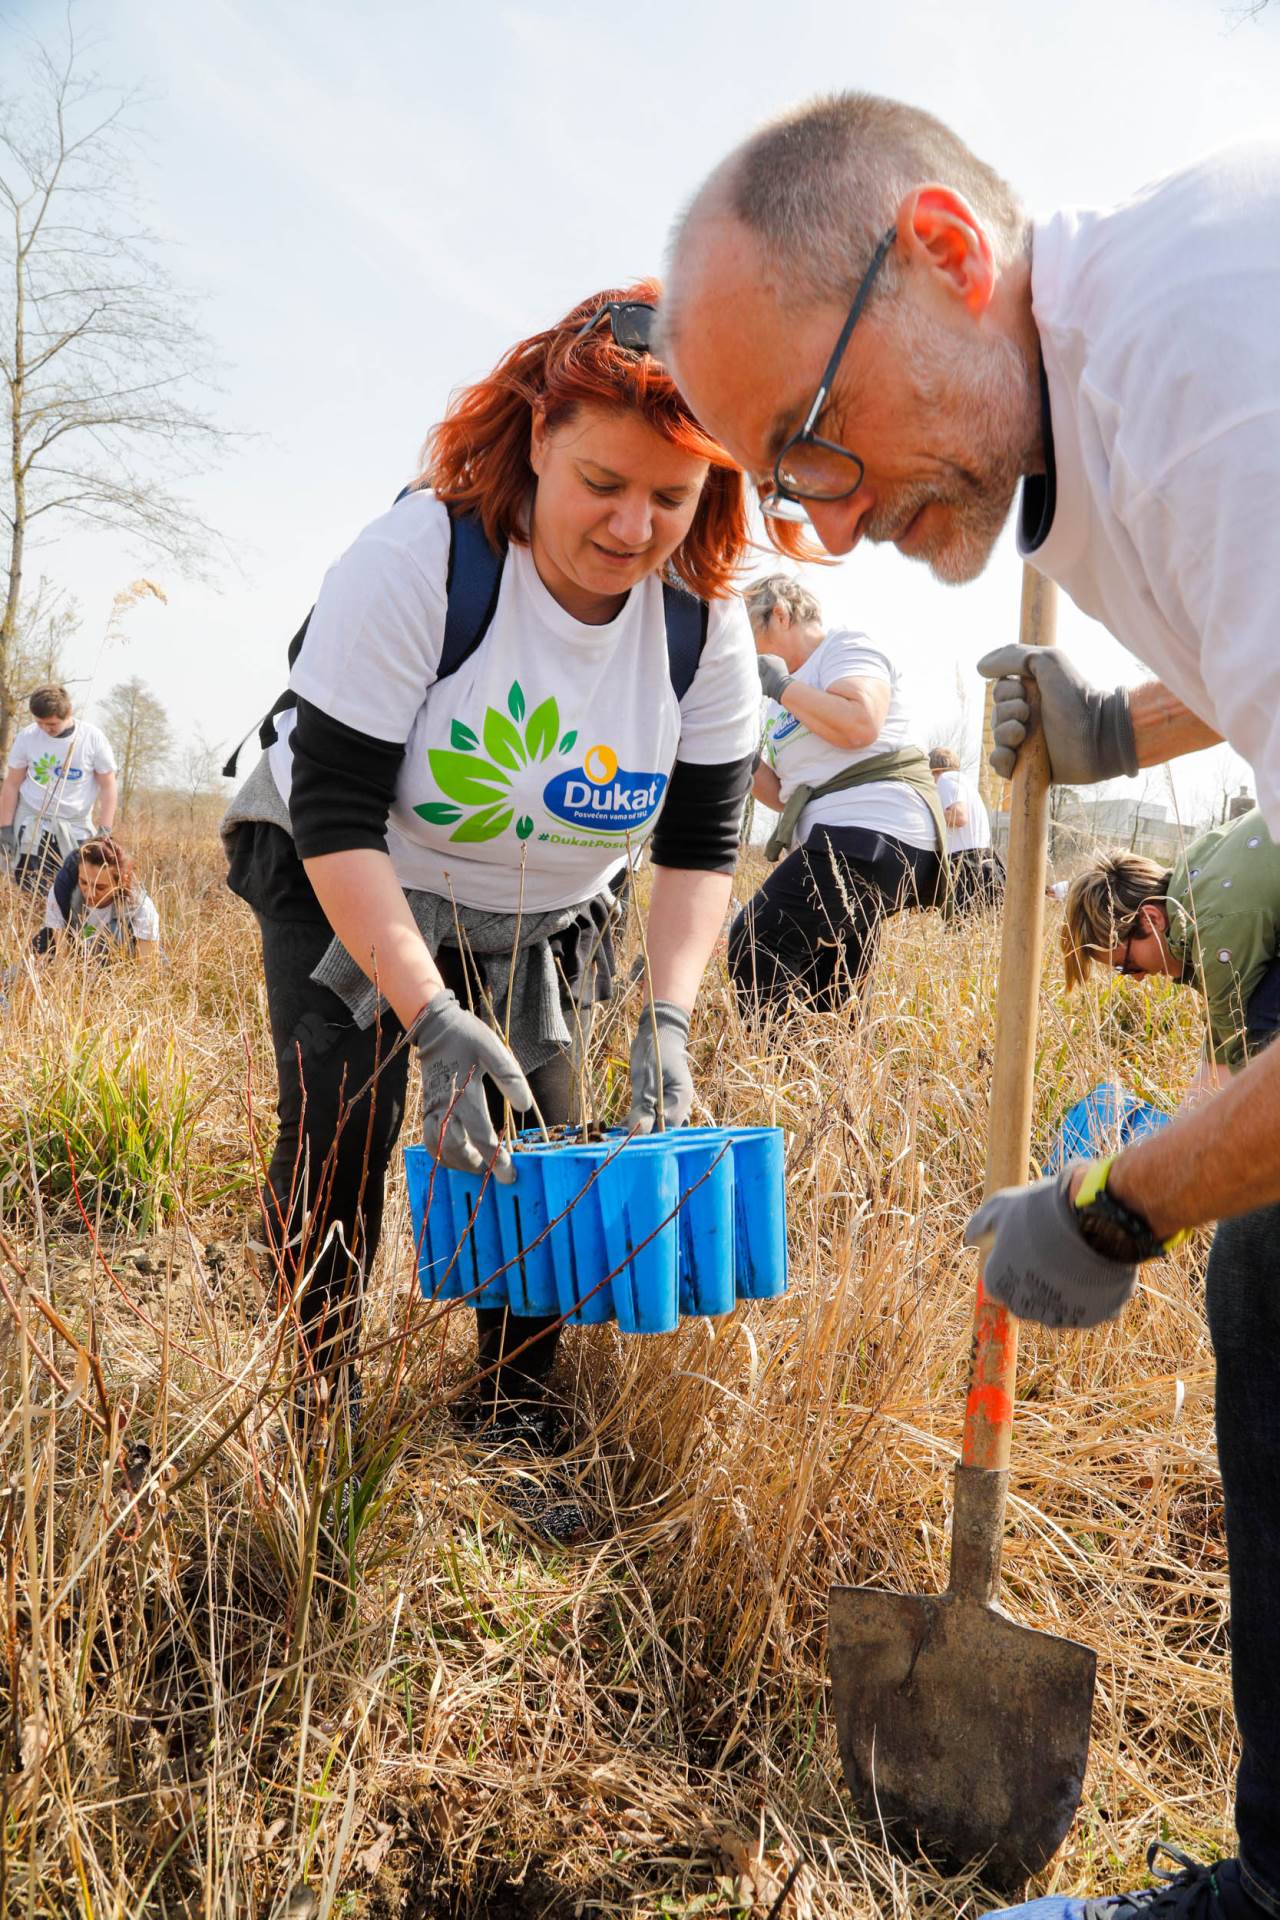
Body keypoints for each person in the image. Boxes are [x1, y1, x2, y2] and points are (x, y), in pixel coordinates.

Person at [661, 94, 1280, 1919]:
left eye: (816, 438)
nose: (824, 525)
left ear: (942, 248)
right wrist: (1123, 722)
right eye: (780, 488)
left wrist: (1122, 1201)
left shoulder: (1203, 370)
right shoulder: (1086, 411)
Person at [221, 281, 769, 1509]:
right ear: (536, 442)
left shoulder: (702, 623)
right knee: (342, 1134)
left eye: (670, 497)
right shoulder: (422, 560)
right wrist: (426, 1016)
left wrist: (668, 1022)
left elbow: (698, 846)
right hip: (351, 877)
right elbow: (335, 814)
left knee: (536, 1149)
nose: (633, 527)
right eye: (602, 484)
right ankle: (315, 1420)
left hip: (544, 908)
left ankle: (515, 1421)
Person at [729, 573, 944, 1013]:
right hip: (833, 835)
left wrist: (782, 687)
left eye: (746, 633)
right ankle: (827, 1074)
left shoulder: (844, 647)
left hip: (873, 830)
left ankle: (777, 1074)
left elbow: (861, 723)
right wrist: (730, 749)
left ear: (781, 613)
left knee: (757, 942)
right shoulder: (780, 701)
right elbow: (787, 797)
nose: (743, 651)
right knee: (827, 987)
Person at [1062, 814, 1280, 1105]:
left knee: (1263, 1041)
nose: (1137, 978)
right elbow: (1220, 1050)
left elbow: (1248, 1071)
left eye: (1125, 966)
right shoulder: (1195, 875)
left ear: (1151, 919)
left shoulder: (1212, 930)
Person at [1, 686, 118, 891]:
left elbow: (108, 786)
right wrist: (5, 827)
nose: (46, 729)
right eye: (40, 723)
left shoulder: (91, 738)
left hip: (75, 829)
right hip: (32, 826)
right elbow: (12, 784)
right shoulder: (27, 737)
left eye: (52, 724)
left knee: (74, 893)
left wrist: (105, 829)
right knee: (29, 890)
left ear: (68, 714)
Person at [32, 834, 160, 961]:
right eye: (84, 882)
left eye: (100, 887)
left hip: (123, 965)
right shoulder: (62, 894)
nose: (90, 893)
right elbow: (62, 958)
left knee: (115, 932)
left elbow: (147, 967)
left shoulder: (141, 908)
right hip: (78, 957)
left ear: (122, 881)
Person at [928, 746, 1002, 912]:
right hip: (984, 861)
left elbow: (959, 816)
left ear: (934, 770)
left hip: (966, 865)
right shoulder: (965, 783)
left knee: (957, 927)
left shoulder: (946, 780)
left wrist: (929, 815)